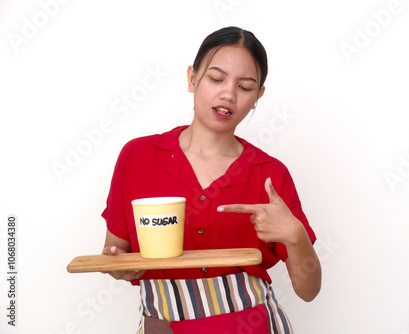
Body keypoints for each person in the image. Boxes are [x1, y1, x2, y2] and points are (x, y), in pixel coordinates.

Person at [101, 26, 321, 334]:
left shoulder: (270, 173)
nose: (228, 94)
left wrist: (295, 236)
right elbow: (115, 252)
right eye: (216, 79)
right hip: (163, 325)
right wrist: (122, 267)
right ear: (192, 78)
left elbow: (308, 290)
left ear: (258, 96)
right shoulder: (137, 157)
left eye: (245, 87)